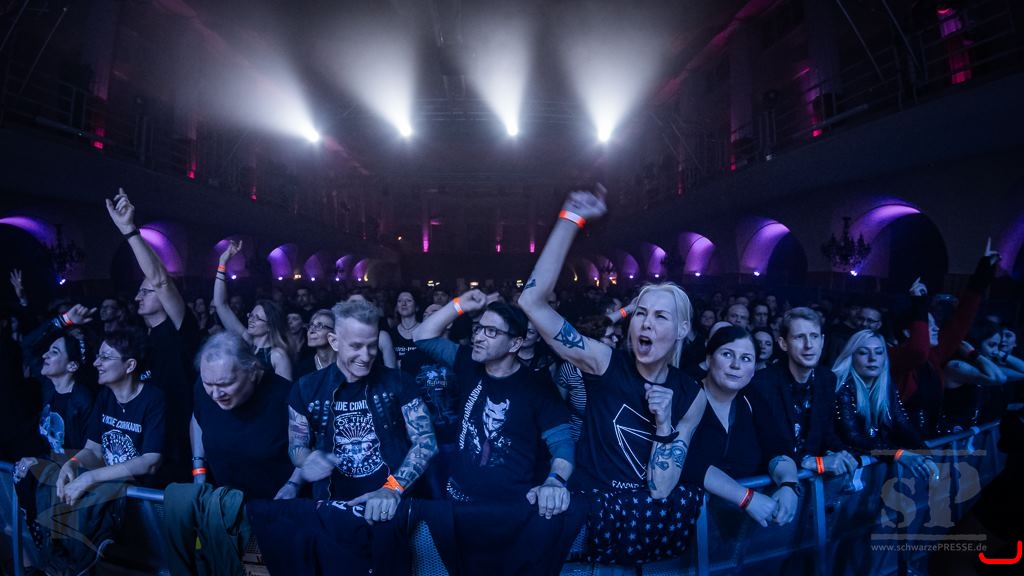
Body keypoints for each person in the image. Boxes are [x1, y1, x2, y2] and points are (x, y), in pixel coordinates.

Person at [518, 187, 712, 565]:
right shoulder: (605, 362)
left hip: (644, 531)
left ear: (682, 329)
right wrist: (570, 218)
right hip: (586, 518)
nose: (646, 323)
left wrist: (664, 423)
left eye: (660, 316)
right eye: (641, 313)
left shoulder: (692, 395)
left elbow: (661, 489)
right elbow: (531, 302)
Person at [247, 299, 436, 575]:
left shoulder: (398, 382)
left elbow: (426, 441)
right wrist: (307, 460)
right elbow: (296, 446)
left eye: (371, 345)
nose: (366, 355)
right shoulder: (307, 387)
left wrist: (392, 488)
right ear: (334, 341)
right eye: (356, 346)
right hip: (333, 512)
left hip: (391, 512)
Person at [412, 292, 574, 508]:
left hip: (511, 506)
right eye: (479, 329)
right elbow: (421, 336)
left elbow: (562, 442)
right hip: (459, 499)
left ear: (515, 343)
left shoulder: (537, 387)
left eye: (491, 331)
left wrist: (554, 481)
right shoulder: (468, 362)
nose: (478, 337)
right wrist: (459, 304)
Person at [106, 188, 199, 484]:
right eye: (139, 292)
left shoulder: (180, 327)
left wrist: (129, 231)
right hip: (144, 437)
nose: (138, 296)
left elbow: (160, 280)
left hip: (178, 441)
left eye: (145, 291)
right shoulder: (139, 338)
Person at [894, 243, 999, 438]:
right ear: (908, 332)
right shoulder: (895, 357)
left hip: (927, 440)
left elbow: (961, 322)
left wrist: (982, 275)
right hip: (899, 443)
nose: (936, 329)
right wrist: (919, 305)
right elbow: (917, 351)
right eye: (928, 324)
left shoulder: (933, 357)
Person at [750, 308, 859, 478]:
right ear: (783, 344)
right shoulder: (763, 383)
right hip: (775, 480)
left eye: (814, 336)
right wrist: (809, 461)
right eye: (799, 337)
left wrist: (843, 454)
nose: (809, 345)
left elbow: (827, 433)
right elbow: (768, 445)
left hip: (812, 478)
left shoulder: (826, 379)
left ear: (822, 341)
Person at [190, 332, 294, 500]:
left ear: (252, 370)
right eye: (208, 383)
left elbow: (310, 447)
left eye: (225, 384)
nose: (215, 394)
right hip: (223, 502)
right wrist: (198, 468)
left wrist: (293, 485)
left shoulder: (287, 397)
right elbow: (198, 419)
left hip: (273, 505)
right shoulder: (202, 389)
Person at [833, 330, 939, 480]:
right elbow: (852, 437)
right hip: (840, 472)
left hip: (867, 469)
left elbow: (902, 423)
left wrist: (926, 455)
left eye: (879, 352)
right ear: (851, 356)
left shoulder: (886, 386)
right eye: (863, 353)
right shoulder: (841, 387)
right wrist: (898, 453)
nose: (872, 358)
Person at [212, 240, 293, 381]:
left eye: (257, 318)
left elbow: (286, 392)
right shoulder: (247, 342)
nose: (251, 320)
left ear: (270, 325)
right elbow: (220, 304)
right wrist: (222, 262)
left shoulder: (277, 355)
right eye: (251, 315)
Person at [292, 308, 337, 380]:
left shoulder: (345, 363)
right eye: (310, 326)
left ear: (334, 332)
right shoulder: (304, 368)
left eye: (319, 326)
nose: (311, 331)